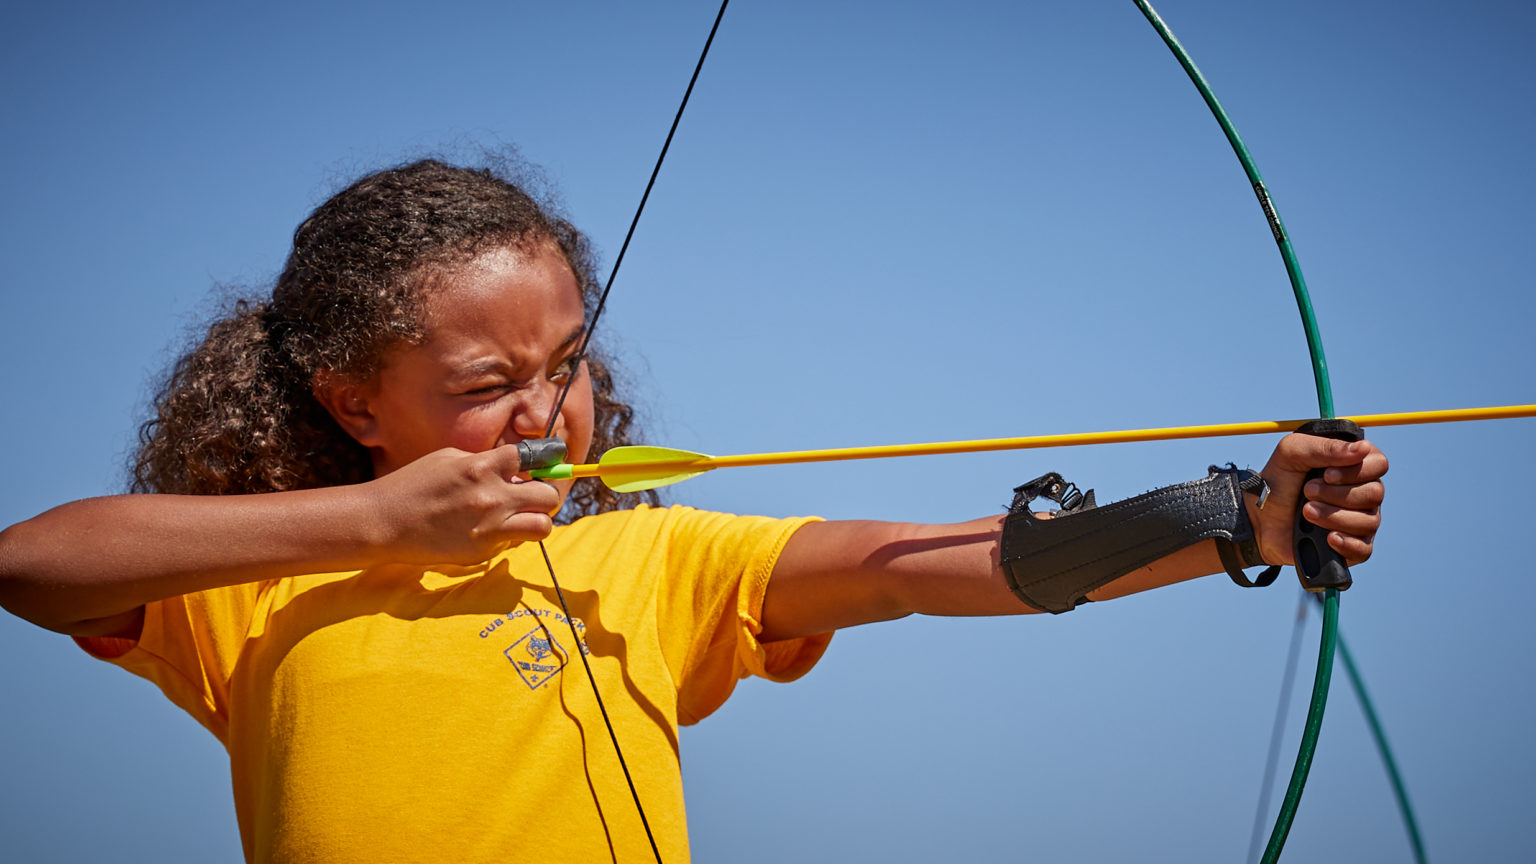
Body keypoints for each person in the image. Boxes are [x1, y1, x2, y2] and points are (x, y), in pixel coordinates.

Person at [0, 158, 1387, 864]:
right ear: (358, 403)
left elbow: (921, 566)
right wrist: (372, 527)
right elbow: (33, 564)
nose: (548, 416)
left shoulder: (650, 558)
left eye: (568, 366)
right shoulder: (256, 585)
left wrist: (1231, 520)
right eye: (489, 384)